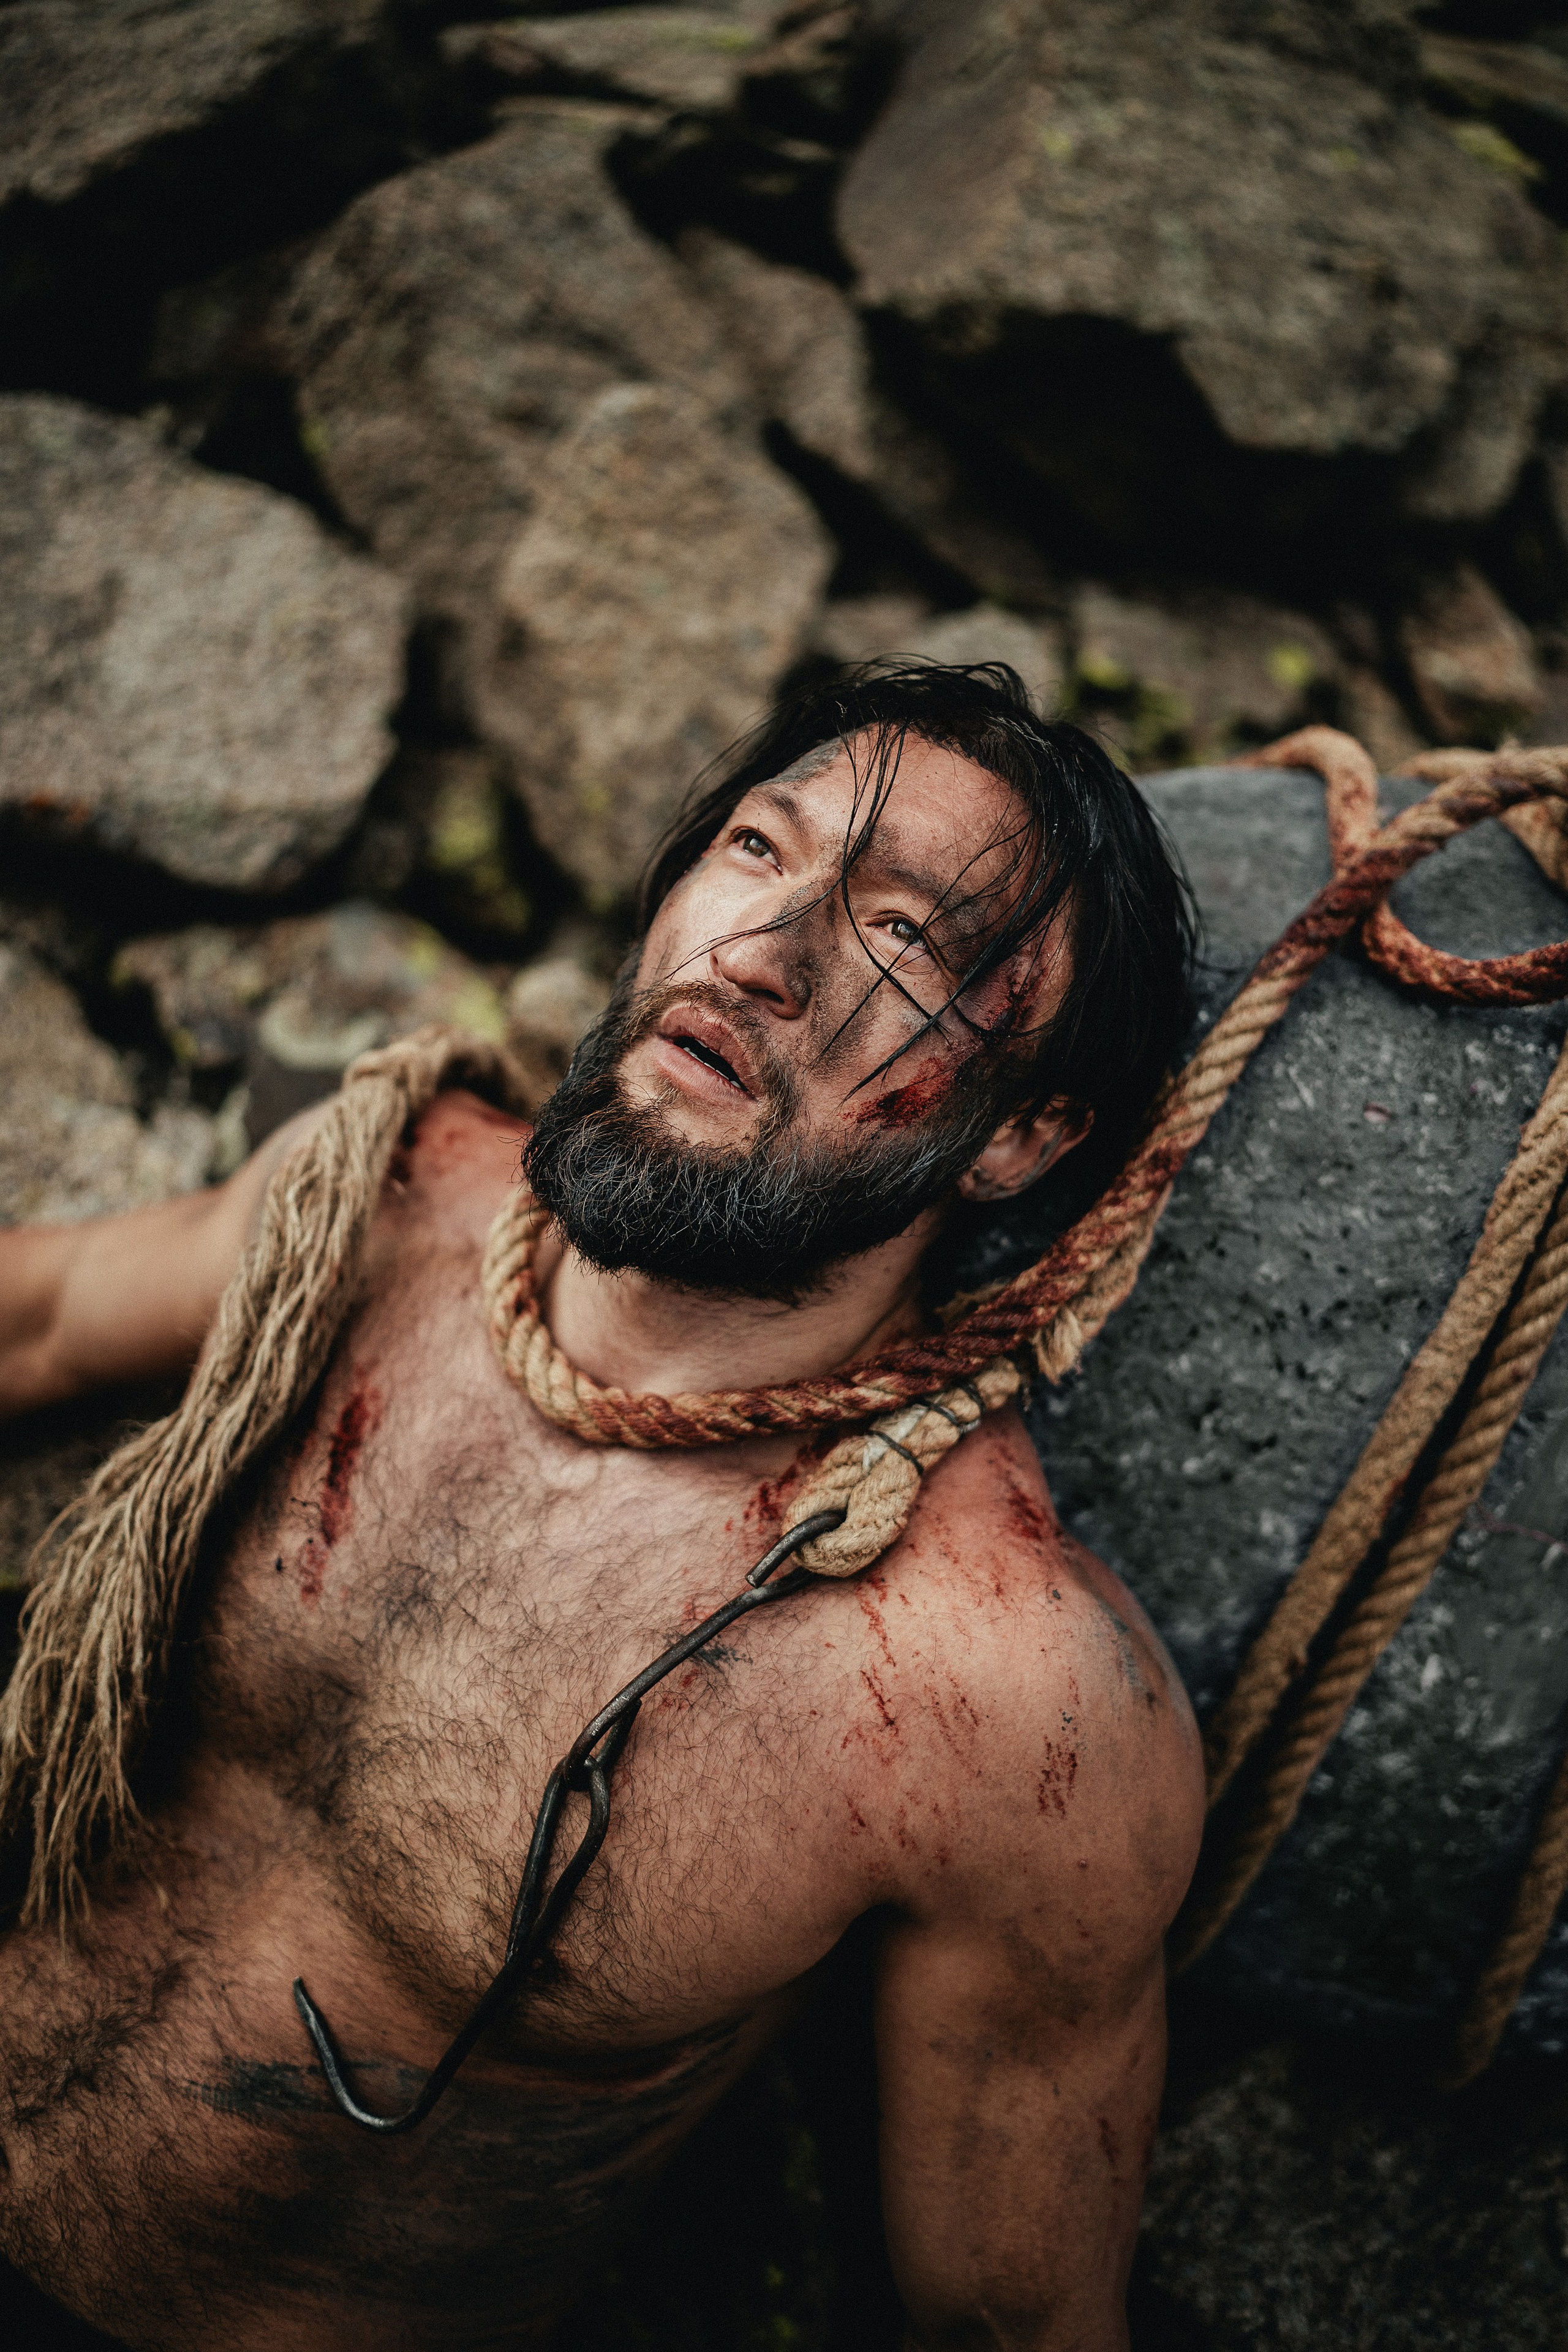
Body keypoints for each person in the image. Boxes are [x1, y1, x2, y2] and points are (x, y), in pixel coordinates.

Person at [0, 664, 1205, 2351]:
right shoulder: (389, 1209)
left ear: (1027, 1136)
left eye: (908, 940)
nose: (763, 953)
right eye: (757, 847)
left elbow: (1007, 2325)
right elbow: (41, 1315)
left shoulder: (1004, 1702)